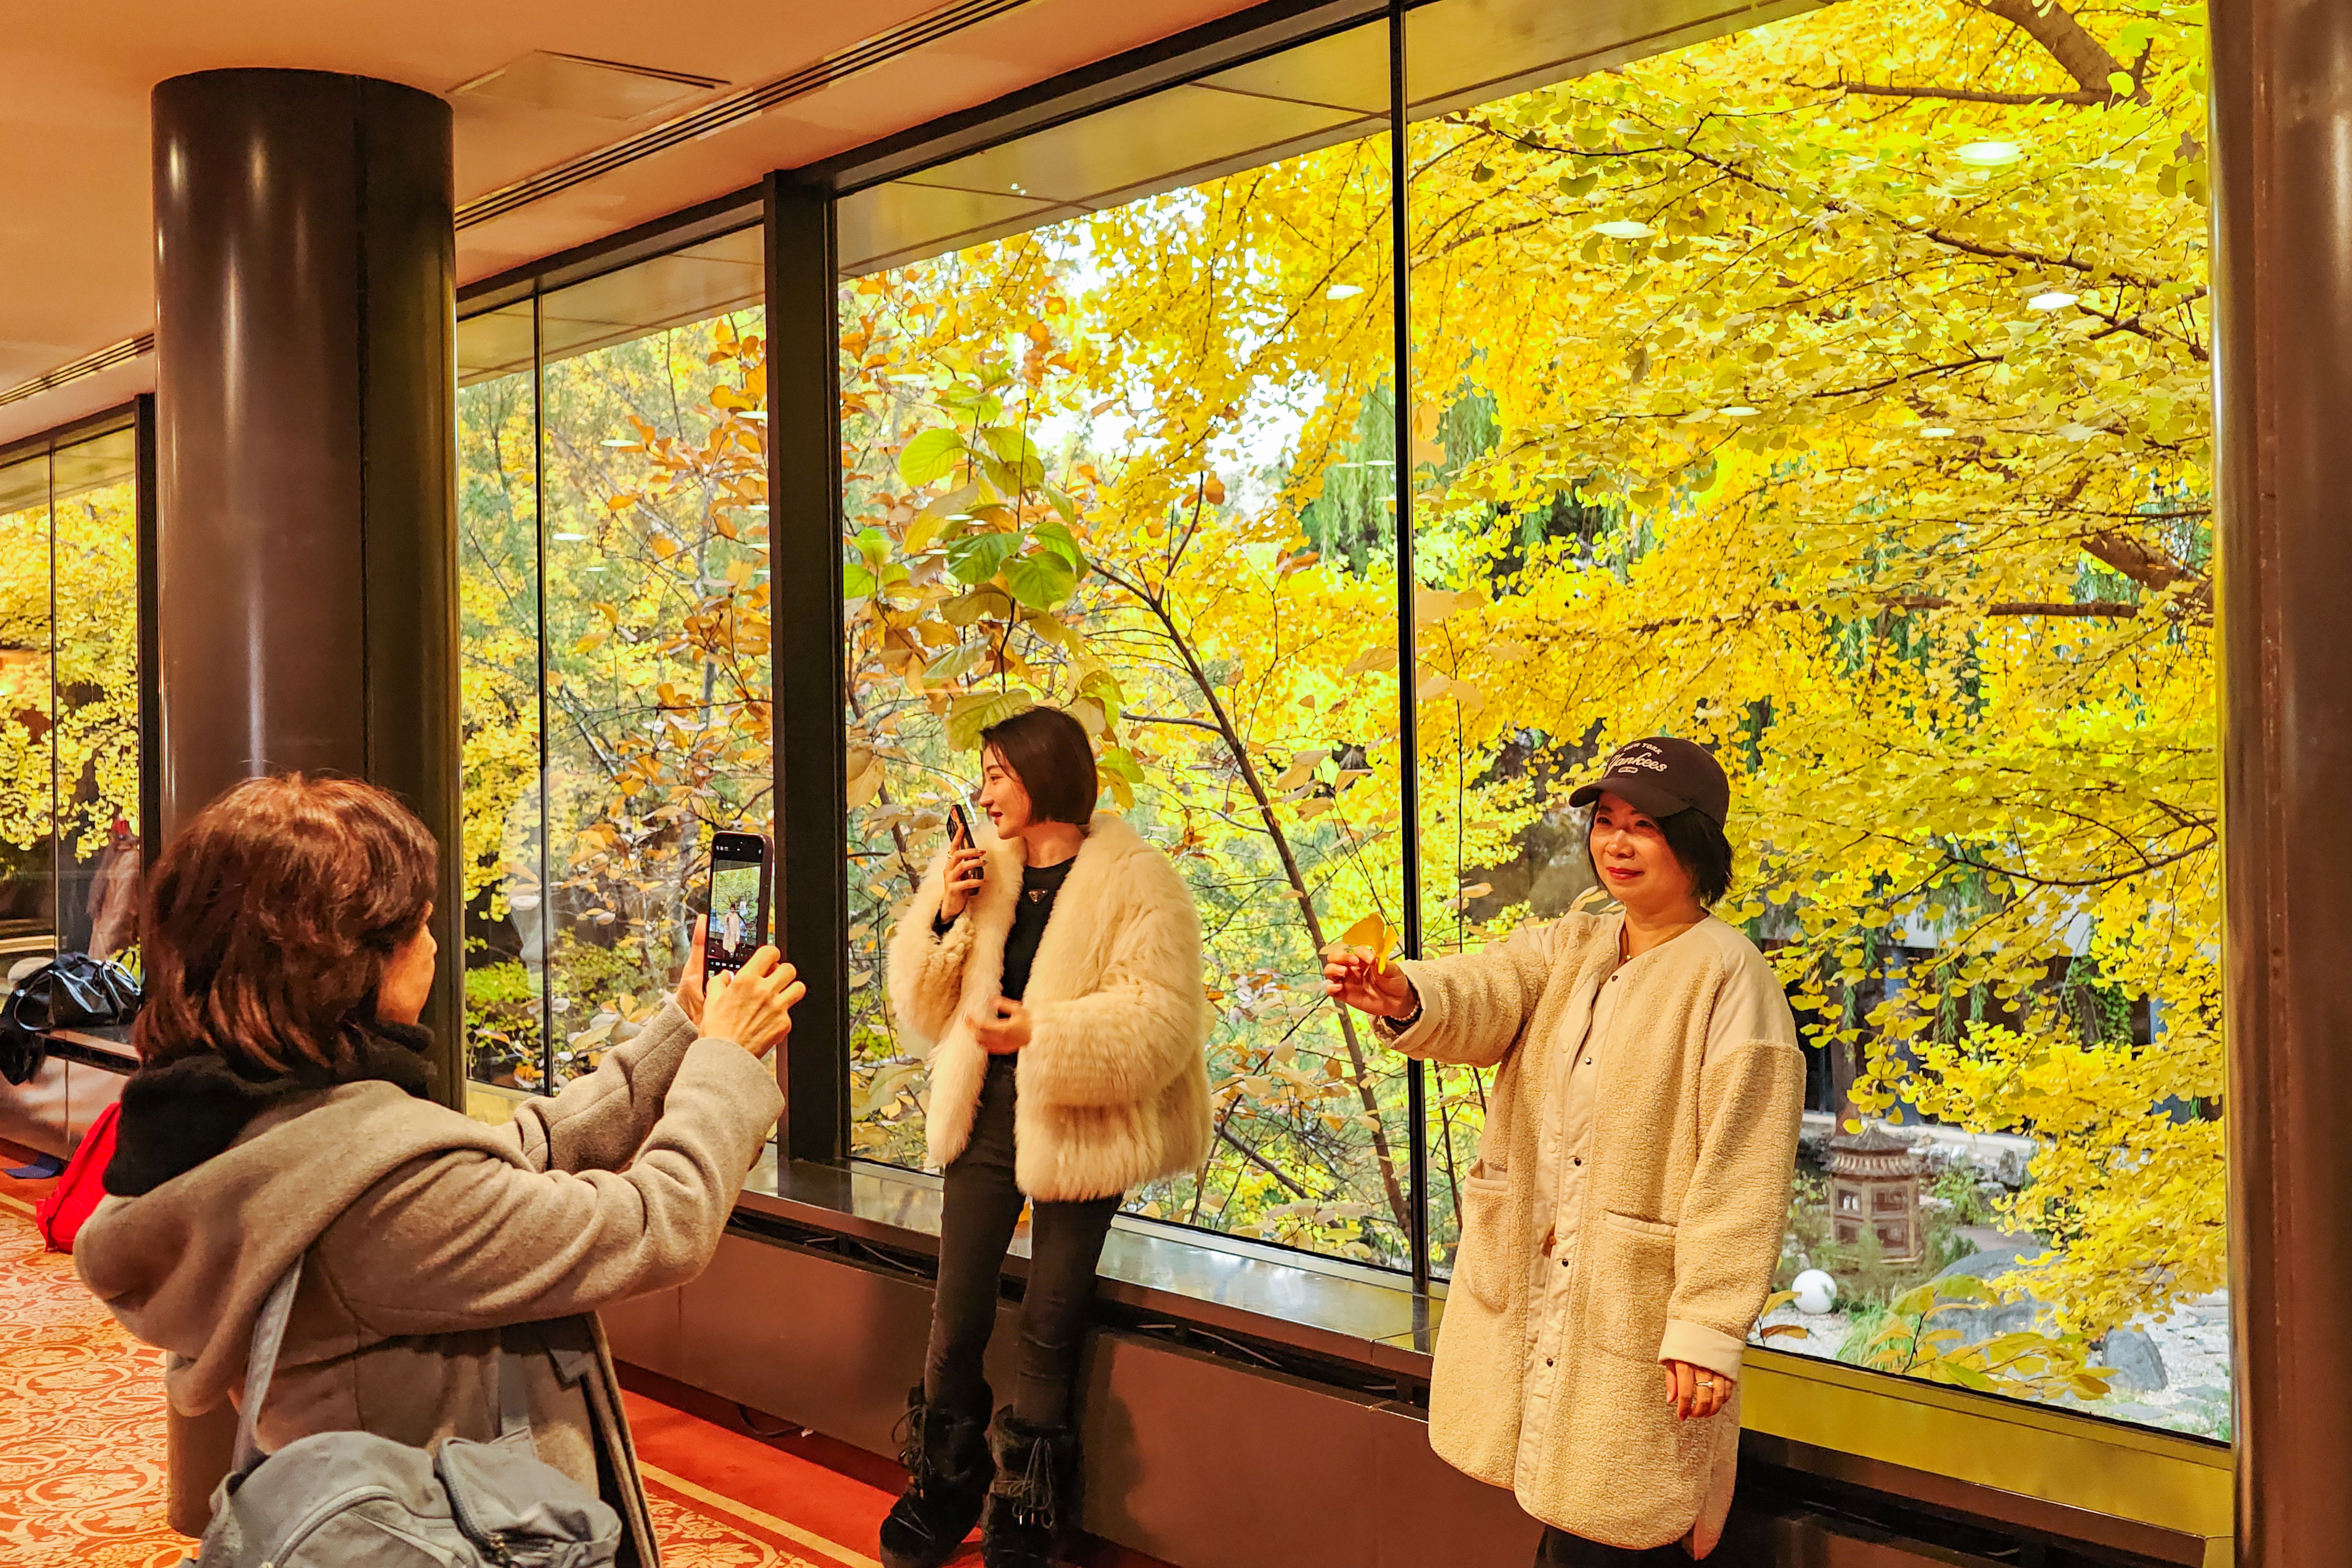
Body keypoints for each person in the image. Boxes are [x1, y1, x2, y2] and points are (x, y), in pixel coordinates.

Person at [75, 774, 802, 1566]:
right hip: (479, 1533)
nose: (432, 946)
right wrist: (726, 1059)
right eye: (419, 927)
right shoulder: (378, 1192)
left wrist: (684, 1029)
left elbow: (498, 1165)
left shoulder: (238, 1124)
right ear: (347, 960)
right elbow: (658, 1223)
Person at [1324, 737, 1805, 1564]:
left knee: (1625, 1515)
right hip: (1549, 1288)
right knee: (1570, 1511)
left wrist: (1707, 1324)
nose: (1617, 843)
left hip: (1640, 1312)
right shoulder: (1572, 945)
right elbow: (1486, 991)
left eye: (1645, 826)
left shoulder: (1732, 978)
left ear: (1694, 842)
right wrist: (1405, 993)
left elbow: (1744, 1174)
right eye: (1607, 822)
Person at [882, 706, 1210, 1568]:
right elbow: (923, 1009)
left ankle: (1025, 1504)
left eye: (999, 775)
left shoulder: (1138, 880)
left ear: (1044, 776)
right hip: (984, 1108)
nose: (985, 792)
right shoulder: (982, 870)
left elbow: (1164, 1021)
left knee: (1051, 1321)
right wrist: (945, 914)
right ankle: (945, 1478)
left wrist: (1044, 1033)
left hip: (1084, 1119)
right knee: (956, 1312)